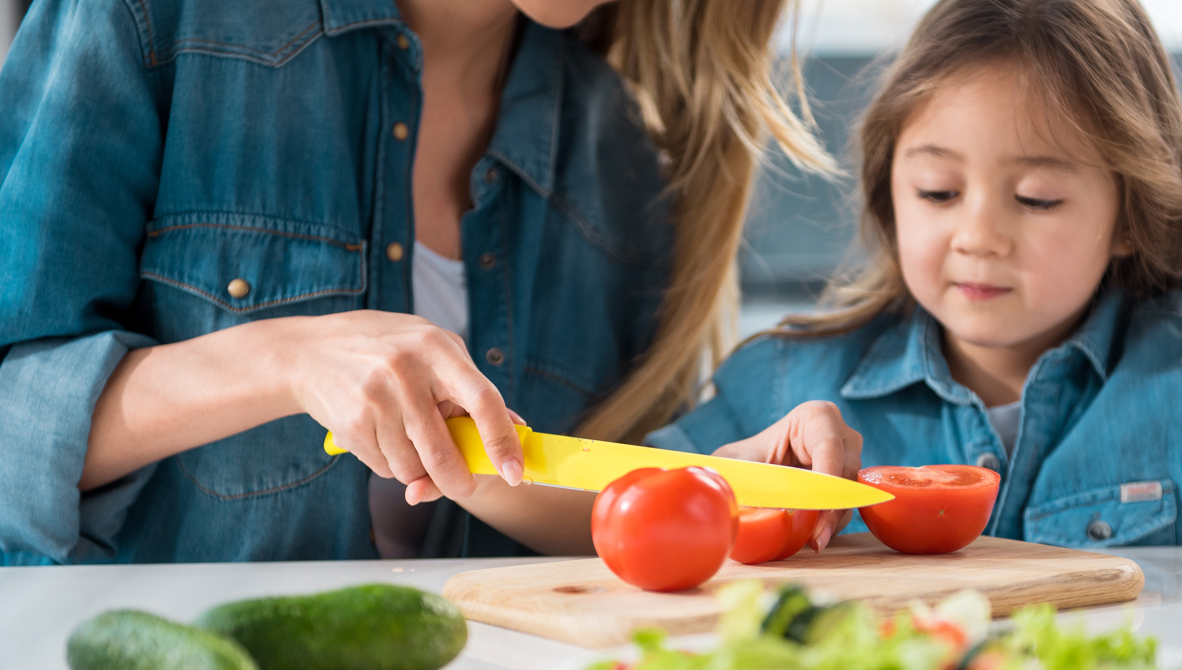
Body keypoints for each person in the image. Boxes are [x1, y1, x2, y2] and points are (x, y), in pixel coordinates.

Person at [0, 0, 847, 564]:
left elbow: (581, 537)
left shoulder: (617, 160)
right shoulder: (159, 16)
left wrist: (705, 486)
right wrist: (286, 359)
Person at [648, 0, 1182, 553]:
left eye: (1036, 198)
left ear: (1128, 215)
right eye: (938, 193)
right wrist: (726, 479)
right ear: (890, 192)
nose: (979, 235)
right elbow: (610, 507)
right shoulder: (796, 377)